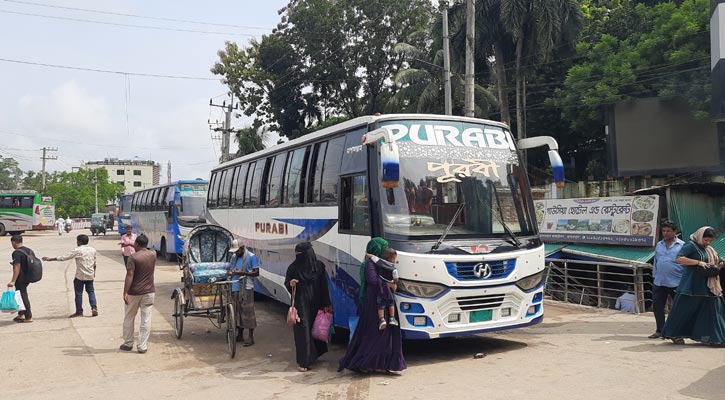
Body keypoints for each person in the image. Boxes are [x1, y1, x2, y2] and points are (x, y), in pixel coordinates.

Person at [339, 237, 406, 374]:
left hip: (385, 300)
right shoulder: (370, 263)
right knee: (373, 333)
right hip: (374, 302)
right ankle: (365, 362)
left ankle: (384, 363)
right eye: (383, 248)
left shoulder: (381, 262)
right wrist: (390, 284)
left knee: (386, 334)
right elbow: (373, 281)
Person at [662, 226, 725, 345]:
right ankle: (673, 333)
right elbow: (679, 259)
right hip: (691, 285)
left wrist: (720, 263)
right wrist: (698, 262)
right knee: (684, 310)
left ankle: (714, 338)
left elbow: (717, 260)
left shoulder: (710, 249)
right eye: (706, 240)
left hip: (710, 286)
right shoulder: (691, 245)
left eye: (710, 241)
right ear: (700, 236)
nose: (708, 243)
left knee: (714, 310)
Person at [284, 242, 332, 372]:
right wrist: (291, 283)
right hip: (301, 304)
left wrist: (326, 304)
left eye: (300, 254)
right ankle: (304, 361)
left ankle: (315, 354)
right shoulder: (293, 268)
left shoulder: (319, 267)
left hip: (317, 302)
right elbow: (287, 282)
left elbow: (324, 286)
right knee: (303, 330)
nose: (298, 256)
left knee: (316, 328)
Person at [42, 234, 99, 318]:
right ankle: (94, 307)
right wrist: (94, 273)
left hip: (80, 275)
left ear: (79, 241)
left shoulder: (78, 250)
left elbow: (65, 257)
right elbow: (94, 263)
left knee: (78, 294)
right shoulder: (93, 250)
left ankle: (79, 311)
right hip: (90, 274)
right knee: (91, 291)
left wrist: (51, 259)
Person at [120, 235, 156, 354]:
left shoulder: (133, 258)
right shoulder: (153, 254)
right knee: (146, 318)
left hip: (134, 292)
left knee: (129, 317)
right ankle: (142, 346)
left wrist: (125, 291)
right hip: (149, 291)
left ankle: (128, 343)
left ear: (137, 244)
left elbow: (130, 275)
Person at [649, 221, 685, 339]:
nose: (665, 233)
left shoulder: (682, 246)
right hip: (659, 281)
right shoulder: (659, 245)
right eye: (663, 231)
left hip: (676, 282)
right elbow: (656, 261)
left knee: (678, 308)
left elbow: (686, 264)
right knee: (658, 307)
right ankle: (660, 330)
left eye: (668, 231)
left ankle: (676, 331)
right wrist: (654, 275)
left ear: (674, 232)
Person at [227, 239, 260, 346]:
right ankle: (240, 334)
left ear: (242, 248)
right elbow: (230, 268)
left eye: (237, 251)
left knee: (248, 312)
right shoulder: (234, 257)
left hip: (246, 288)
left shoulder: (251, 257)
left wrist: (243, 272)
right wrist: (231, 272)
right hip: (235, 286)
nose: (236, 253)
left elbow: (256, 272)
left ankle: (251, 337)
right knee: (237, 312)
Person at [367, 247, 399, 330]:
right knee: (391, 303)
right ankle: (392, 318)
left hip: (381, 288)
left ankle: (381, 319)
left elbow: (374, 258)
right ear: (392, 259)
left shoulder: (380, 262)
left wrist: (368, 255)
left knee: (381, 304)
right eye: (395, 258)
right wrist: (395, 283)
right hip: (388, 289)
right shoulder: (394, 269)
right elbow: (396, 279)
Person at [7, 235, 35, 322]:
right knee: (19, 294)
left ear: (13, 242)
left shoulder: (16, 253)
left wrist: (13, 281)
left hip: (21, 278)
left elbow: (17, 266)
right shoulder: (29, 250)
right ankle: (21, 314)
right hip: (28, 276)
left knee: (22, 295)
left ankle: (28, 316)